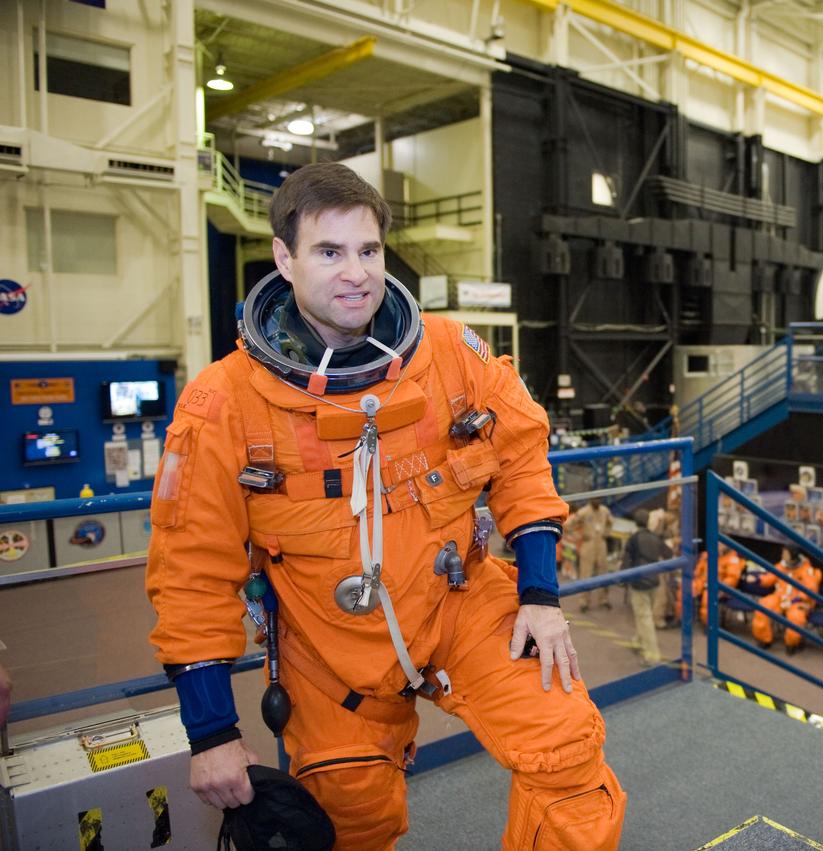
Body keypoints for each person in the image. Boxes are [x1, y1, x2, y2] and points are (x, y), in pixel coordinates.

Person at [145, 163, 624, 849]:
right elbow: (191, 570)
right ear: (284, 258)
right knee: (352, 823)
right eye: (329, 251)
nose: (356, 273)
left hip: (459, 599)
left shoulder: (452, 355)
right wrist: (212, 733)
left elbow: (521, 452)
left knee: (569, 752)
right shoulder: (224, 405)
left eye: (368, 250)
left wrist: (542, 593)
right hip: (328, 646)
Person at [622, 510, 672, 667]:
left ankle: (652, 656)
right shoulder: (655, 537)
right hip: (654, 582)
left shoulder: (634, 539)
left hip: (639, 583)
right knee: (644, 614)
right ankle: (638, 641)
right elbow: (668, 554)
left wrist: (623, 580)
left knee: (644, 618)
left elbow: (627, 560)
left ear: (636, 522)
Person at [751, 547, 822, 653]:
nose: (782, 556)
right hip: (780, 597)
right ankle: (764, 640)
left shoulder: (807, 570)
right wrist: (758, 579)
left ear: (793, 556)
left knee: (796, 617)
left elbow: (810, 589)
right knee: (762, 606)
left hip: (798, 601)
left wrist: (796, 600)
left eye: (785, 553)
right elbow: (770, 578)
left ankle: (792, 644)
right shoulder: (781, 566)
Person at [567, 498, 613, 612]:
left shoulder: (604, 511)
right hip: (588, 544)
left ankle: (604, 599)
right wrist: (577, 536)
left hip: (601, 543)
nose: (597, 501)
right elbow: (568, 525)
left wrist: (606, 533)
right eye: (595, 499)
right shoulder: (583, 512)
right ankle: (584, 601)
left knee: (603, 572)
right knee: (586, 574)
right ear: (591, 500)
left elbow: (610, 522)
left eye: (599, 499)